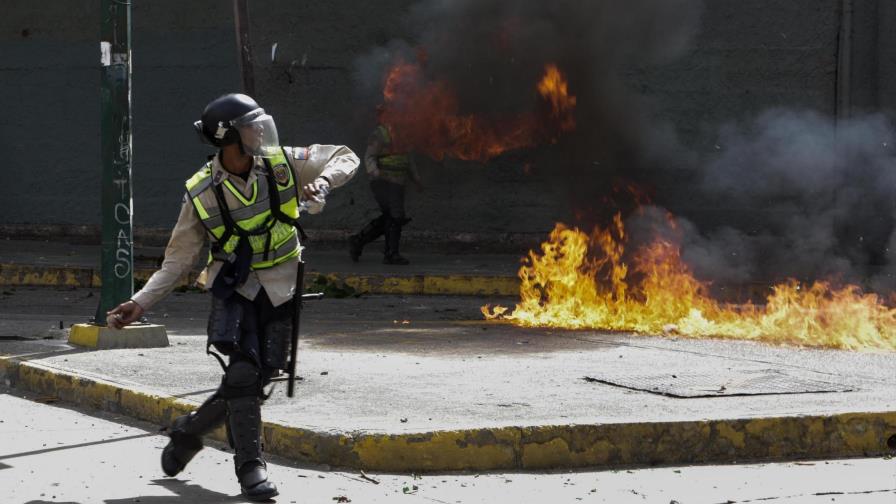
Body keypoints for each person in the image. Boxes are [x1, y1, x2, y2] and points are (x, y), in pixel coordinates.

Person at [106, 93, 358, 501]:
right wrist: (141, 302)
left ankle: (189, 431)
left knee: (257, 380)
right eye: (250, 127)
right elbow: (178, 260)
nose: (260, 131)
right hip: (235, 288)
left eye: (259, 125)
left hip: (282, 285)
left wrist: (323, 182)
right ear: (229, 140)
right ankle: (250, 468)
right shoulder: (201, 192)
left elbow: (344, 156)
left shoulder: (280, 162)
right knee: (242, 375)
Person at [348, 114, 422, 265]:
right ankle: (391, 254)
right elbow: (369, 157)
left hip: (398, 183)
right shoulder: (381, 133)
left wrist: (416, 179)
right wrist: (377, 174)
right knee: (395, 216)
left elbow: (408, 160)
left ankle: (358, 240)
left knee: (390, 217)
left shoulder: (405, 136)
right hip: (382, 183)